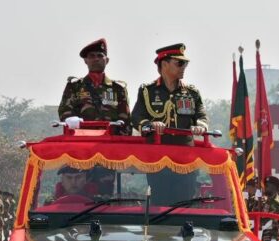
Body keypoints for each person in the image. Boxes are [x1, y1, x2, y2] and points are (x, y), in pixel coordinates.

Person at [131, 44, 208, 205]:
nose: (184, 67)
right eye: (179, 63)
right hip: (158, 158)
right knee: (160, 201)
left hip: (185, 159)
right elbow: (137, 117)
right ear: (164, 64)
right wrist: (150, 125)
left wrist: (200, 125)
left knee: (184, 202)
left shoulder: (191, 92)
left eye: (185, 64)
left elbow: (201, 115)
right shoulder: (148, 91)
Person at [58, 38, 131, 134]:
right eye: (92, 56)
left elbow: (125, 119)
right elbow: (65, 110)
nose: (96, 59)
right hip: (82, 139)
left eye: (100, 56)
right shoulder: (74, 86)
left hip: (110, 140)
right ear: (85, 60)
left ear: (107, 60)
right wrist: (69, 119)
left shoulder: (118, 88)